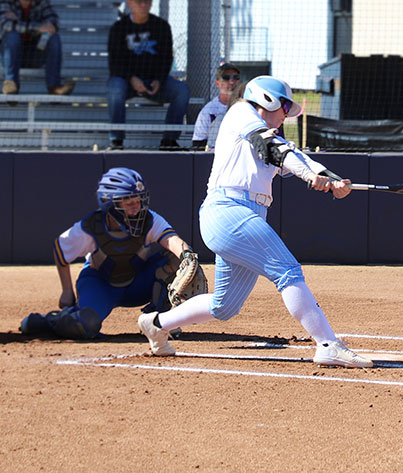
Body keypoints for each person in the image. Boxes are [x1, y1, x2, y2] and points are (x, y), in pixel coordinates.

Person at [137, 75, 373, 369]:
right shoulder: (241, 114)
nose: (286, 115)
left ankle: (156, 323)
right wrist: (310, 177)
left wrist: (333, 180)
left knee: (224, 306)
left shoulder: (266, 134)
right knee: (287, 270)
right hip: (227, 210)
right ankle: (328, 344)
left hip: (244, 216)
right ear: (266, 99)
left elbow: (293, 155)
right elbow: (273, 148)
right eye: (285, 107)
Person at [19, 167, 195, 340]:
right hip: (100, 283)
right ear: (110, 204)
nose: (137, 207)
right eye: (129, 203)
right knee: (85, 325)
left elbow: (171, 239)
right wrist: (66, 291)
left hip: (137, 282)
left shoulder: (150, 219)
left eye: (139, 201)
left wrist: (187, 255)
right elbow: (60, 248)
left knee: (175, 258)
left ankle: (158, 321)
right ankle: (49, 321)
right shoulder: (91, 226)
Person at [106, 0, 190, 151]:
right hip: (127, 82)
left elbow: (166, 58)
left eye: (147, 2)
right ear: (130, 3)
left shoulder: (161, 26)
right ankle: (116, 140)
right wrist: (132, 79)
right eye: (139, 2)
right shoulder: (119, 28)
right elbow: (115, 63)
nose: (143, 5)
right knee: (114, 86)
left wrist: (159, 79)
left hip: (155, 82)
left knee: (181, 90)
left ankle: (169, 141)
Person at [0, 0, 75, 95]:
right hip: (9, 56)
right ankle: (10, 84)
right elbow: (6, 25)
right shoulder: (5, 2)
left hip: (34, 54)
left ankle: (55, 87)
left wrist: (18, 22)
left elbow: (53, 20)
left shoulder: (41, 2)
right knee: (12, 36)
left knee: (54, 37)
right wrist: (38, 27)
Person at [191, 62, 241, 151]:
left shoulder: (247, 107)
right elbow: (198, 142)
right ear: (217, 83)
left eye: (235, 78)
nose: (231, 81)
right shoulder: (209, 110)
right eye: (226, 78)